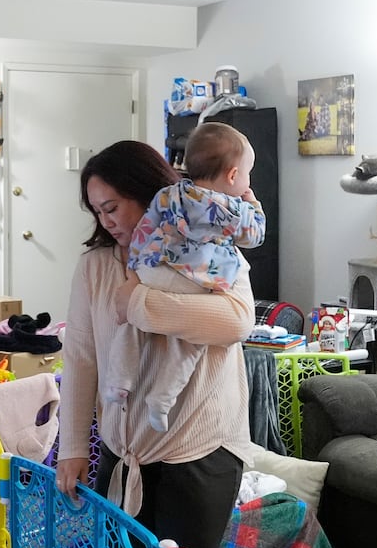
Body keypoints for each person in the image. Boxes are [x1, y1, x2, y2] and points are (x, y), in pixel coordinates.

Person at [55, 139, 256, 548]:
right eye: (96, 211)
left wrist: (141, 304)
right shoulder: (95, 268)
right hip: (124, 451)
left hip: (200, 451)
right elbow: (82, 360)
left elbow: (235, 323)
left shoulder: (210, 250)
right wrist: (73, 449)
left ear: (151, 193)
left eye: (112, 206)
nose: (105, 221)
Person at [113, 122, 264, 431]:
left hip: (155, 270)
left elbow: (146, 227)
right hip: (195, 280)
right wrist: (253, 203)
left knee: (130, 323)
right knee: (192, 338)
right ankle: (162, 399)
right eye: (247, 174)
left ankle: (117, 382)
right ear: (233, 175)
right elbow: (255, 235)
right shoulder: (230, 208)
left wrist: (136, 268)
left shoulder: (170, 194)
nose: (247, 181)